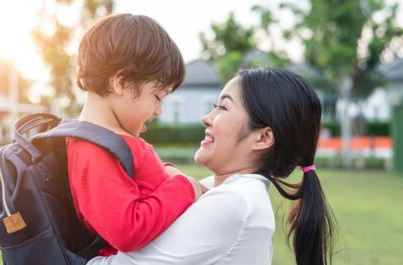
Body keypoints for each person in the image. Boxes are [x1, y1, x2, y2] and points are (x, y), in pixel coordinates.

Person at [87, 67, 336, 265]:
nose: (206, 118)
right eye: (213, 107)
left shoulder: (235, 202)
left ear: (262, 138)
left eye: (223, 107)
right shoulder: (218, 191)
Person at [66, 13, 206, 256]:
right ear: (121, 83)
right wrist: (185, 187)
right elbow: (127, 230)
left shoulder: (114, 142)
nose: (159, 110)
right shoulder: (93, 149)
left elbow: (141, 183)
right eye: (158, 96)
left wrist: (168, 173)